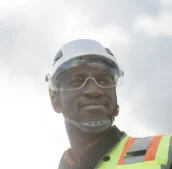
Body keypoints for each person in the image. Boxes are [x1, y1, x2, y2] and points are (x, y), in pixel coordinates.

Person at [45, 39, 172, 169]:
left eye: (104, 81)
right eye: (77, 82)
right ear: (55, 99)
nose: (95, 91)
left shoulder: (166, 150)